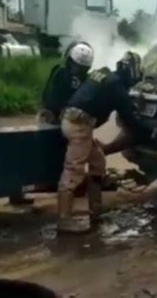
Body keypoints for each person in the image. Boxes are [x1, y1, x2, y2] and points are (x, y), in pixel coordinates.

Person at [57, 51, 157, 233]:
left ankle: (95, 212)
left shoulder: (104, 73)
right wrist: (152, 132)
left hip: (73, 119)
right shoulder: (116, 87)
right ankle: (64, 221)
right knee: (73, 171)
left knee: (98, 162)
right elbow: (132, 120)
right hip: (79, 125)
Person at [9, 42, 94, 207]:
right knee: (57, 154)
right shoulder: (78, 77)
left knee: (57, 154)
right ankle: (49, 183)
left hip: (60, 118)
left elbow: (48, 95)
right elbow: (53, 98)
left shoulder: (61, 72)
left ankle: (52, 183)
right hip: (57, 118)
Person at [37, 42, 94, 125]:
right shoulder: (87, 78)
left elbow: (48, 97)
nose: (77, 70)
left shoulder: (60, 71)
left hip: (66, 118)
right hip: (64, 118)